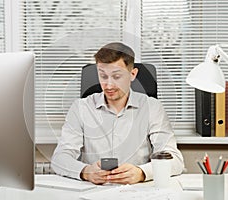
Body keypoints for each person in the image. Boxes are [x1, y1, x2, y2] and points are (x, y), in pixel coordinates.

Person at [51, 42, 184, 185]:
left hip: (137, 191)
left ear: (132, 74)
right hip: (92, 191)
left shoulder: (152, 107)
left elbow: (175, 160)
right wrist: (86, 171)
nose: (108, 85)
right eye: (103, 76)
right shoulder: (81, 108)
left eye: (116, 77)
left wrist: (142, 172)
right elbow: (60, 158)